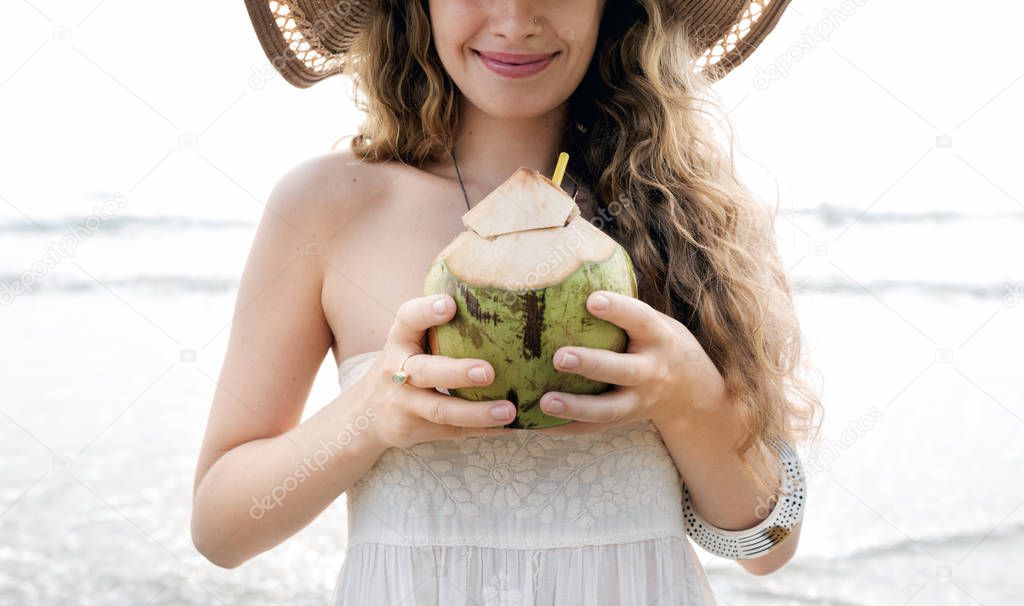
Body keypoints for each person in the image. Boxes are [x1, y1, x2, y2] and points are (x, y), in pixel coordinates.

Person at [192, 0, 824, 603]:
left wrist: (689, 397)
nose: (517, 22)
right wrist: (371, 415)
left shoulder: (692, 216)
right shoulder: (328, 208)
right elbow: (221, 530)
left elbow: (768, 544)